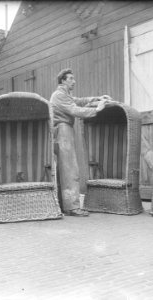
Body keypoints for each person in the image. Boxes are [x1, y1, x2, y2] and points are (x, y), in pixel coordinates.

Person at [50, 68, 112, 217]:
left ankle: (64, 205)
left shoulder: (64, 95)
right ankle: (73, 207)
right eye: (70, 78)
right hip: (63, 131)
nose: (74, 81)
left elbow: (79, 101)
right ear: (63, 81)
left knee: (63, 170)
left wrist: (97, 98)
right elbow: (75, 110)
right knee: (70, 169)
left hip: (62, 131)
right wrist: (97, 109)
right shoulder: (59, 95)